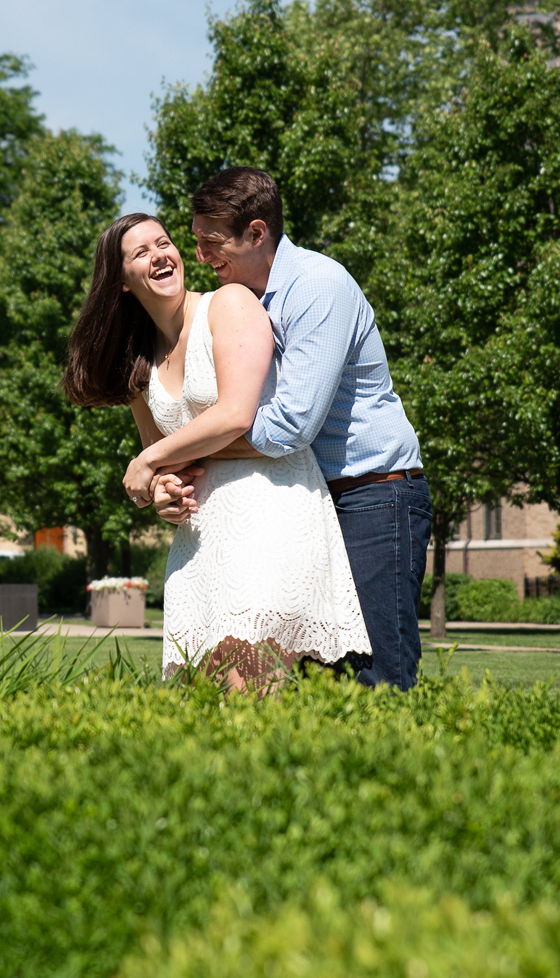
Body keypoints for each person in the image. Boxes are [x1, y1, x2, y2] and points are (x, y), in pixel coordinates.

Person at [63, 211, 371, 689]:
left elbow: (235, 415)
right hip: (202, 541)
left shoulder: (227, 305)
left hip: (270, 510)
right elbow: (163, 463)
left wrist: (150, 463)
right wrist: (163, 494)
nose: (160, 256)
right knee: (210, 698)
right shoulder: (138, 363)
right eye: (140, 253)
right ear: (122, 281)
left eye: (163, 243)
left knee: (248, 688)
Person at [151, 168, 430, 689]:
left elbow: (288, 428)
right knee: (311, 685)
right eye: (197, 241)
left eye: (213, 243)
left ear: (257, 233)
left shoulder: (316, 286)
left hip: (370, 498)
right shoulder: (242, 303)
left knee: (374, 680)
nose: (203, 257)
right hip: (306, 504)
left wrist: (174, 452)